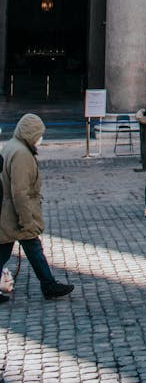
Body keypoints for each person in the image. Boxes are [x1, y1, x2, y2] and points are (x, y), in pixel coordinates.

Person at [0, 114, 74, 300]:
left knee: (27, 250)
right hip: (16, 214)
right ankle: (48, 285)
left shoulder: (12, 146)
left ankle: (48, 284)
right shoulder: (21, 154)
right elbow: (20, 191)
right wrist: (26, 220)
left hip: (10, 212)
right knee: (23, 249)